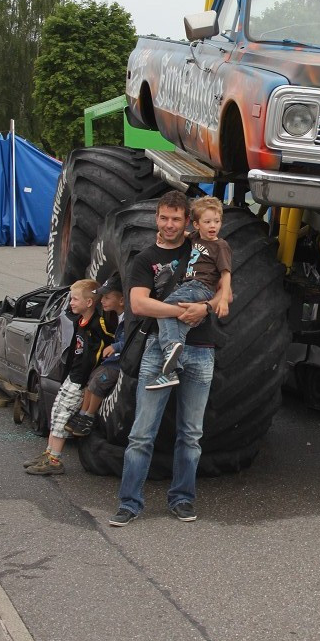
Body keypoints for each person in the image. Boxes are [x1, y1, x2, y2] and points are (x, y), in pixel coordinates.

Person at [109, 190, 220, 527]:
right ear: (156, 218)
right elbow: (139, 304)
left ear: (187, 221)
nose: (169, 224)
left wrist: (205, 307)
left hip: (201, 350)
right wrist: (182, 311)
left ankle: (182, 499)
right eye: (164, 218)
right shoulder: (144, 259)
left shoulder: (202, 248)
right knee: (142, 433)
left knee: (191, 434)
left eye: (176, 219)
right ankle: (129, 503)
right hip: (158, 349)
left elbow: (223, 290)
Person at [23, 279, 116, 475]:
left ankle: (55, 460)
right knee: (56, 412)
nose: (71, 303)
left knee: (62, 418)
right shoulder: (79, 321)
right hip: (72, 376)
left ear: (89, 302)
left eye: (74, 299)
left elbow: (110, 344)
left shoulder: (99, 323)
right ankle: (48, 453)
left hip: (81, 381)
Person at [146, 196, 232, 391]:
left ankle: (171, 350)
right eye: (207, 222)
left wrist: (223, 300)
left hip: (200, 287)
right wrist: (161, 236)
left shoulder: (221, 246)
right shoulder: (195, 237)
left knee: (165, 308)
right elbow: (183, 234)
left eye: (217, 222)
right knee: (182, 318)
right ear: (196, 224)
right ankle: (170, 367)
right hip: (191, 286)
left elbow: (226, 275)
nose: (213, 226)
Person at [65, 274, 125, 438]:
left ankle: (89, 417)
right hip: (111, 361)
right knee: (91, 379)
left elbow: (130, 339)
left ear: (121, 300)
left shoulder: (128, 318)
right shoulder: (117, 316)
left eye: (106, 297)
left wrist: (114, 345)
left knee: (99, 382)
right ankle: (82, 413)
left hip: (120, 363)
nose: (102, 300)